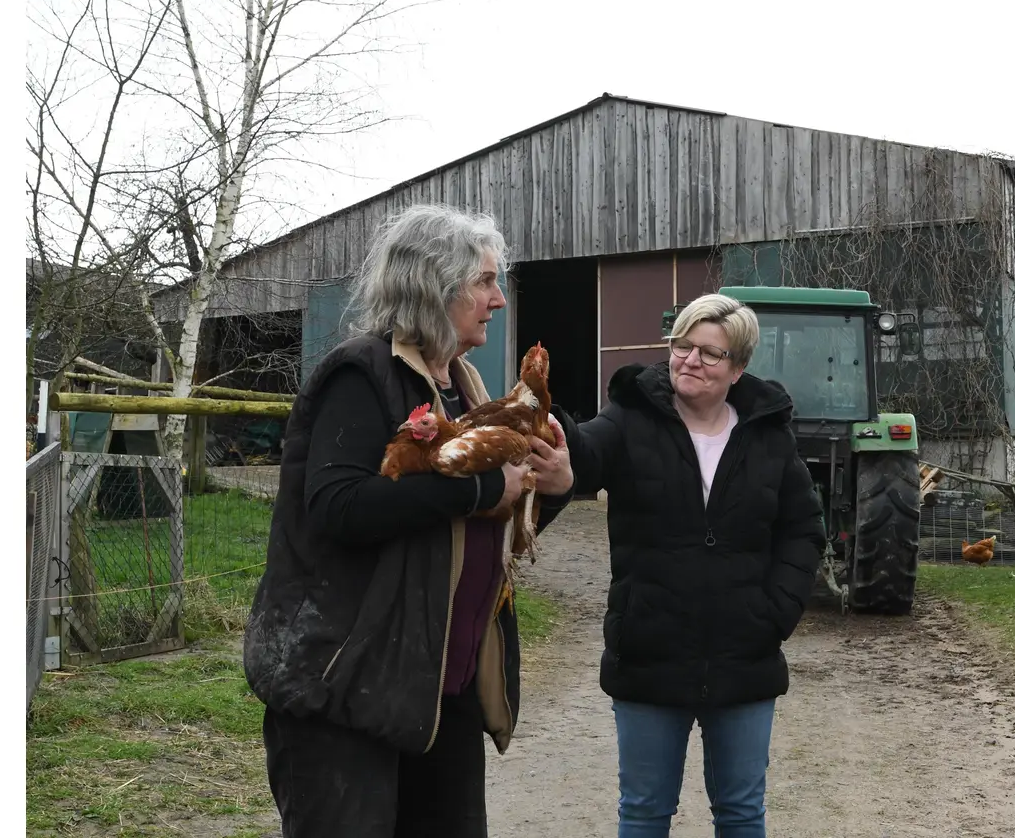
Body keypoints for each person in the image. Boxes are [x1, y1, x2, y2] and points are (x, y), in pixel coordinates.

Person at [242, 203, 577, 837]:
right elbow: (338, 507)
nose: (498, 299)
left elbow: (488, 521)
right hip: (346, 685)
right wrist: (480, 488)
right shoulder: (361, 373)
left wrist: (551, 488)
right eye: (484, 281)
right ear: (434, 284)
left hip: (432, 686)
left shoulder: (465, 383)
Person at [554, 293, 826, 838]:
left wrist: (773, 613)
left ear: (738, 367)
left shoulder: (767, 435)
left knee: (742, 812)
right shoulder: (631, 417)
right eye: (682, 344)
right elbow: (585, 454)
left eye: (709, 352)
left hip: (743, 655)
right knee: (645, 811)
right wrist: (553, 430)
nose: (689, 359)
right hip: (650, 652)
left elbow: (803, 528)